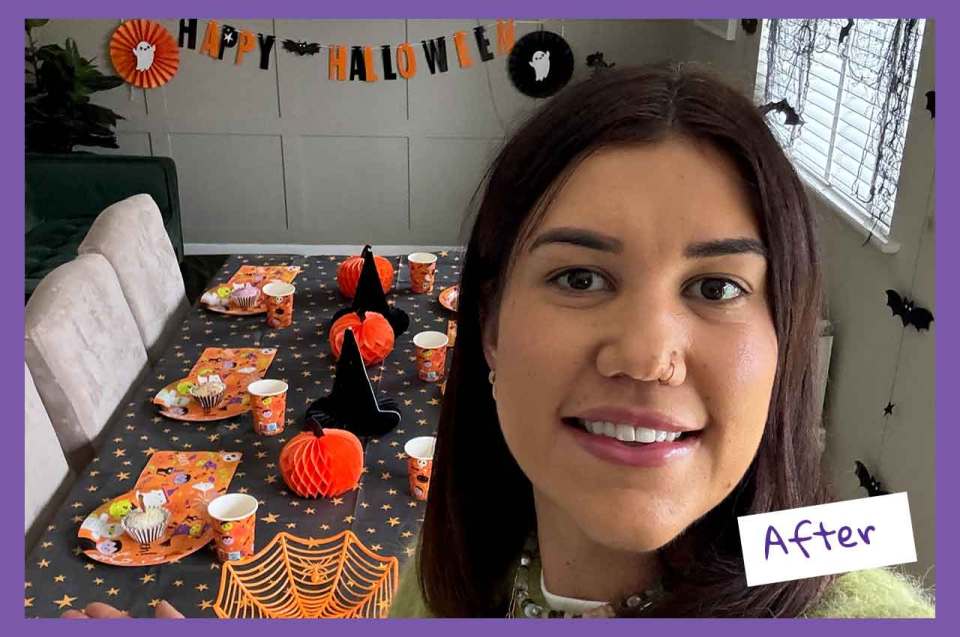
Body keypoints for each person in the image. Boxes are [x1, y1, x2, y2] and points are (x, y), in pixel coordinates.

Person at [62, 62, 934, 620]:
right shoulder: (446, 580)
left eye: (716, 288)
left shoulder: (861, 608)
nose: (644, 353)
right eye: (580, 277)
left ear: (783, 345)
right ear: (485, 322)